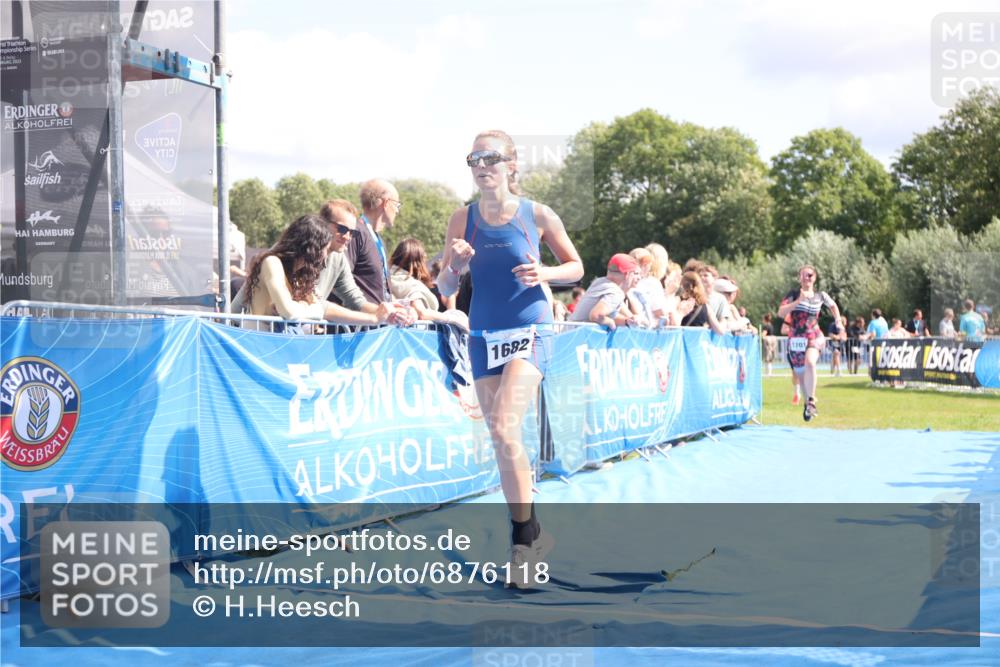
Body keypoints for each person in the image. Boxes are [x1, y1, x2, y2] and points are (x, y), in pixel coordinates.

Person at [436, 129, 583, 586]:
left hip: (531, 328)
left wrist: (547, 271)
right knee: (502, 438)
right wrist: (456, 266)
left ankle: (522, 544)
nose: (481, 165)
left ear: (512, 165)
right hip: (483, 333)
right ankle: (533, 531)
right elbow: (444, 289)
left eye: (491, 157)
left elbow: (575, 266)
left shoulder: (537, 214)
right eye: (473, 158)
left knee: (503, 424)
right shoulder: (462, 219)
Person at [231, 206, 401, 328]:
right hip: (260, 350)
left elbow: (325, 308)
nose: (325, 256)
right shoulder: (272, 262)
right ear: (310, 248)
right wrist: (308, 308)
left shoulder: (301, 275)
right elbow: (290, 312)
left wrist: (376, 319)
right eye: (324, 250)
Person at [777, 265, 843, 422]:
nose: (807, 277)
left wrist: (838, 320)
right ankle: (808, 405)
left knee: (811, 363)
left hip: (814, 335)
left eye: (810, 275)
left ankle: (811, 400)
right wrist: (798, 301)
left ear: (815, 277)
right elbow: (780, 313)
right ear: (799, 278)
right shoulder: (793, 294)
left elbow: (833, 306)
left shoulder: (821, 296)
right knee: (800, 375)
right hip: (796, 338)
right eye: (804, 275)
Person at [348, 179, 403, 304]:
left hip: (377, 321)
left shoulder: (377, 239)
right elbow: (342, 281)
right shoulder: (355, 233)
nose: (397, 211)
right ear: (387, 203)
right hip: (359, 321)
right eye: (397, 205)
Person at [569, 254, 641, 328]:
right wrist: (610, 323)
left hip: (569, 333)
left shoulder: (600, 282)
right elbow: (596, 315)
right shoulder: (616, 292)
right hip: (579, 337)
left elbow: (608, 315)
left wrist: (627, 321)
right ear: (628, 274)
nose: (639, 277)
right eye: (635, 273)